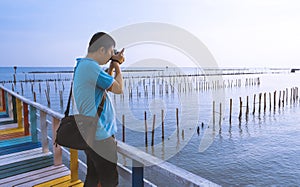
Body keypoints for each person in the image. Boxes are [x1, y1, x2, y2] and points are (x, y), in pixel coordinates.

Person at [73, 32, 124, 187]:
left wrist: (111, 65)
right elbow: (118, 88)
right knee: (109, 181)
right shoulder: (91, 67)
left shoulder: (83, 65)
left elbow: (105, 86)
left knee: (94, 178)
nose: (111, 55)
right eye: (110, 52)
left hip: (91, 133)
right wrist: (117, 66)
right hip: (101, 135)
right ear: (102, 50)